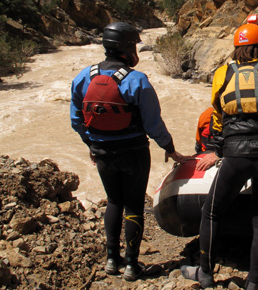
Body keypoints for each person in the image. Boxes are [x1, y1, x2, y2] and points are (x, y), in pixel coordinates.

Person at [181, 22, 258, 290]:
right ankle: (254, 282)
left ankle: (205, 274)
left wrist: (216, 150)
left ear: (236, 49)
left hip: (236, 156)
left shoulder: (222, 73)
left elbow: (218, 115)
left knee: (212, 213)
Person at [70, 22, 186, 281]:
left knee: (114, 201)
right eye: (133, 45)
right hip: (133, 151)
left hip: (102, 151)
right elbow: (153, 123)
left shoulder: (82, 77)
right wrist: (169, 147)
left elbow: (76, 120)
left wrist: (91, 145)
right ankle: (132, 265)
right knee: (133, 203)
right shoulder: (136, 80)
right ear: (124, 49)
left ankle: (112, 260)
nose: (135, 50)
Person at [194, 106, 219, 171]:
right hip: (206, 153)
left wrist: (218, 155)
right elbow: (199, 142)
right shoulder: (206, 115)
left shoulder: (207, 114)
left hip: (229, 154)